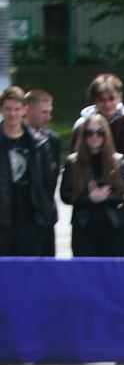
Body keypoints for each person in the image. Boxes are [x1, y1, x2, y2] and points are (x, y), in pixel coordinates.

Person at [59, 113, 124, 257]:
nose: (94, 137)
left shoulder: (118, 161)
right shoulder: (73, 162)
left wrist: (106, 197)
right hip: (83, 226)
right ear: (83, 136)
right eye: (89, 133)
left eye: (100, 133)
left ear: (106, 135)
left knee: (112, 268)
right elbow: (65, 195)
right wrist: (90, 198)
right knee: (85, 269)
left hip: (113, 226)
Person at [0, 85, 57, 256]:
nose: (12, 114)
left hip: (32, 218)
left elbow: (49, 180)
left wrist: (44, 208)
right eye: (8, 109)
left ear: (24, 110)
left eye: (16, 109)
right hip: (3, 219)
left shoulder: (39, 143)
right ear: (1, 109)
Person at [73, 73, 124, 168]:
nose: (107, 104)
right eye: (102, 100)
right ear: (93, 99)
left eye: (111, 99)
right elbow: (74, 159)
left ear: (120, 96)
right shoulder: (81, 125)